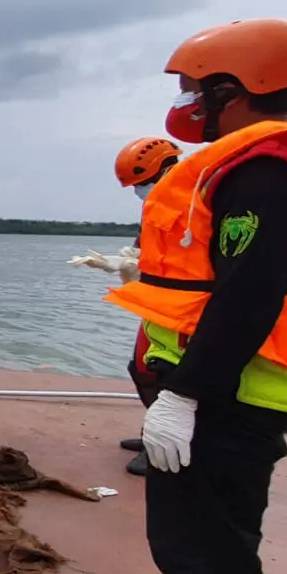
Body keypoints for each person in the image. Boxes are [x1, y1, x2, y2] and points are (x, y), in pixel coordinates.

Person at [90, 17, 287, 574]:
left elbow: (249, 295)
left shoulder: (263, 174)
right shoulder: (240, 165)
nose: (186, 103)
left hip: (230, 397)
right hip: (213, 388)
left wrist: (185, 395)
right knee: (187, 536)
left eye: (194, 88)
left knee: (215, 551)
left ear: (231, 90)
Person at [109, 137, 182, 476]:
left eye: (143, 183)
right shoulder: (159, 206)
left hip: (183, 308)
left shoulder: (195, 202)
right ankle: (153, 433)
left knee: (165, 374)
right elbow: (146, 250)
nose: (141, 190)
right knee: (141, 369)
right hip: (158, 305)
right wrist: (126, 262)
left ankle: (162, 445)